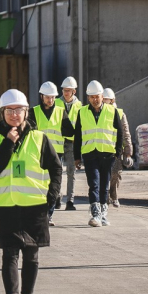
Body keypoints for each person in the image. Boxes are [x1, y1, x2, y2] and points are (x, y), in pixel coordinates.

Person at [0, 89, 61, 294]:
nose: (14, 114)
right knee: (9, 254)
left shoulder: (39, 138)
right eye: (9, 110)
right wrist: (8, 143)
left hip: (34, 207)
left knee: (31, 256)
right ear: (2, 113)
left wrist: (51, 196)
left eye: (18, 110)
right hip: (6, 207)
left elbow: (56, 167)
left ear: (26, 112)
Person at [72, 81, 126, 227]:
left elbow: (120, 132)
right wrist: (77, 157)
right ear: (88, 98)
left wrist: (118, 152)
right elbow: (78, 136)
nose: (95, 100)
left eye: (97, 96)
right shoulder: (82, 112)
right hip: (89, 153)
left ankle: (103, 214)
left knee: (104, 185)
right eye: (92, 97)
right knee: (94, 183)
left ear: (102, 96)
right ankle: (95, 214)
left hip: (107, 154)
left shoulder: (112, 111)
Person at [27, 82, 66, 227]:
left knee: (53, 184)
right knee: (39, 184)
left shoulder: (61, 112)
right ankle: (40, 213)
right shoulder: (33, 112)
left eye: (53, 97)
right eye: (48, 97)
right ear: (41, 96)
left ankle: (49, 215)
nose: (50, 100)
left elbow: (69, 130)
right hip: (39, 153)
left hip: (56, 154)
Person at [101, 88, 134, 207]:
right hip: (103, 148)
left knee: (115, 173)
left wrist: (128, 152)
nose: (105, 101)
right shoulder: (99, 113)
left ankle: (113, 195)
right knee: (104, 174)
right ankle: (105, 197)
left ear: (112, 100)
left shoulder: (120, 113)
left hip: (116, 149)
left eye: (107, 99)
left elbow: (125, 133)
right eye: (103, 99)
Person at [58, 77, 82, 210]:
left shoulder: (79, 106)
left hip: (72, 143)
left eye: (68, 90)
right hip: (58, 141)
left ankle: (70, 201)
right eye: (64, 90)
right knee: (57, 171)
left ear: (74, 91)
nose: (66, 93)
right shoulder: (56, 103)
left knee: (71, 172)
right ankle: (57, 197)